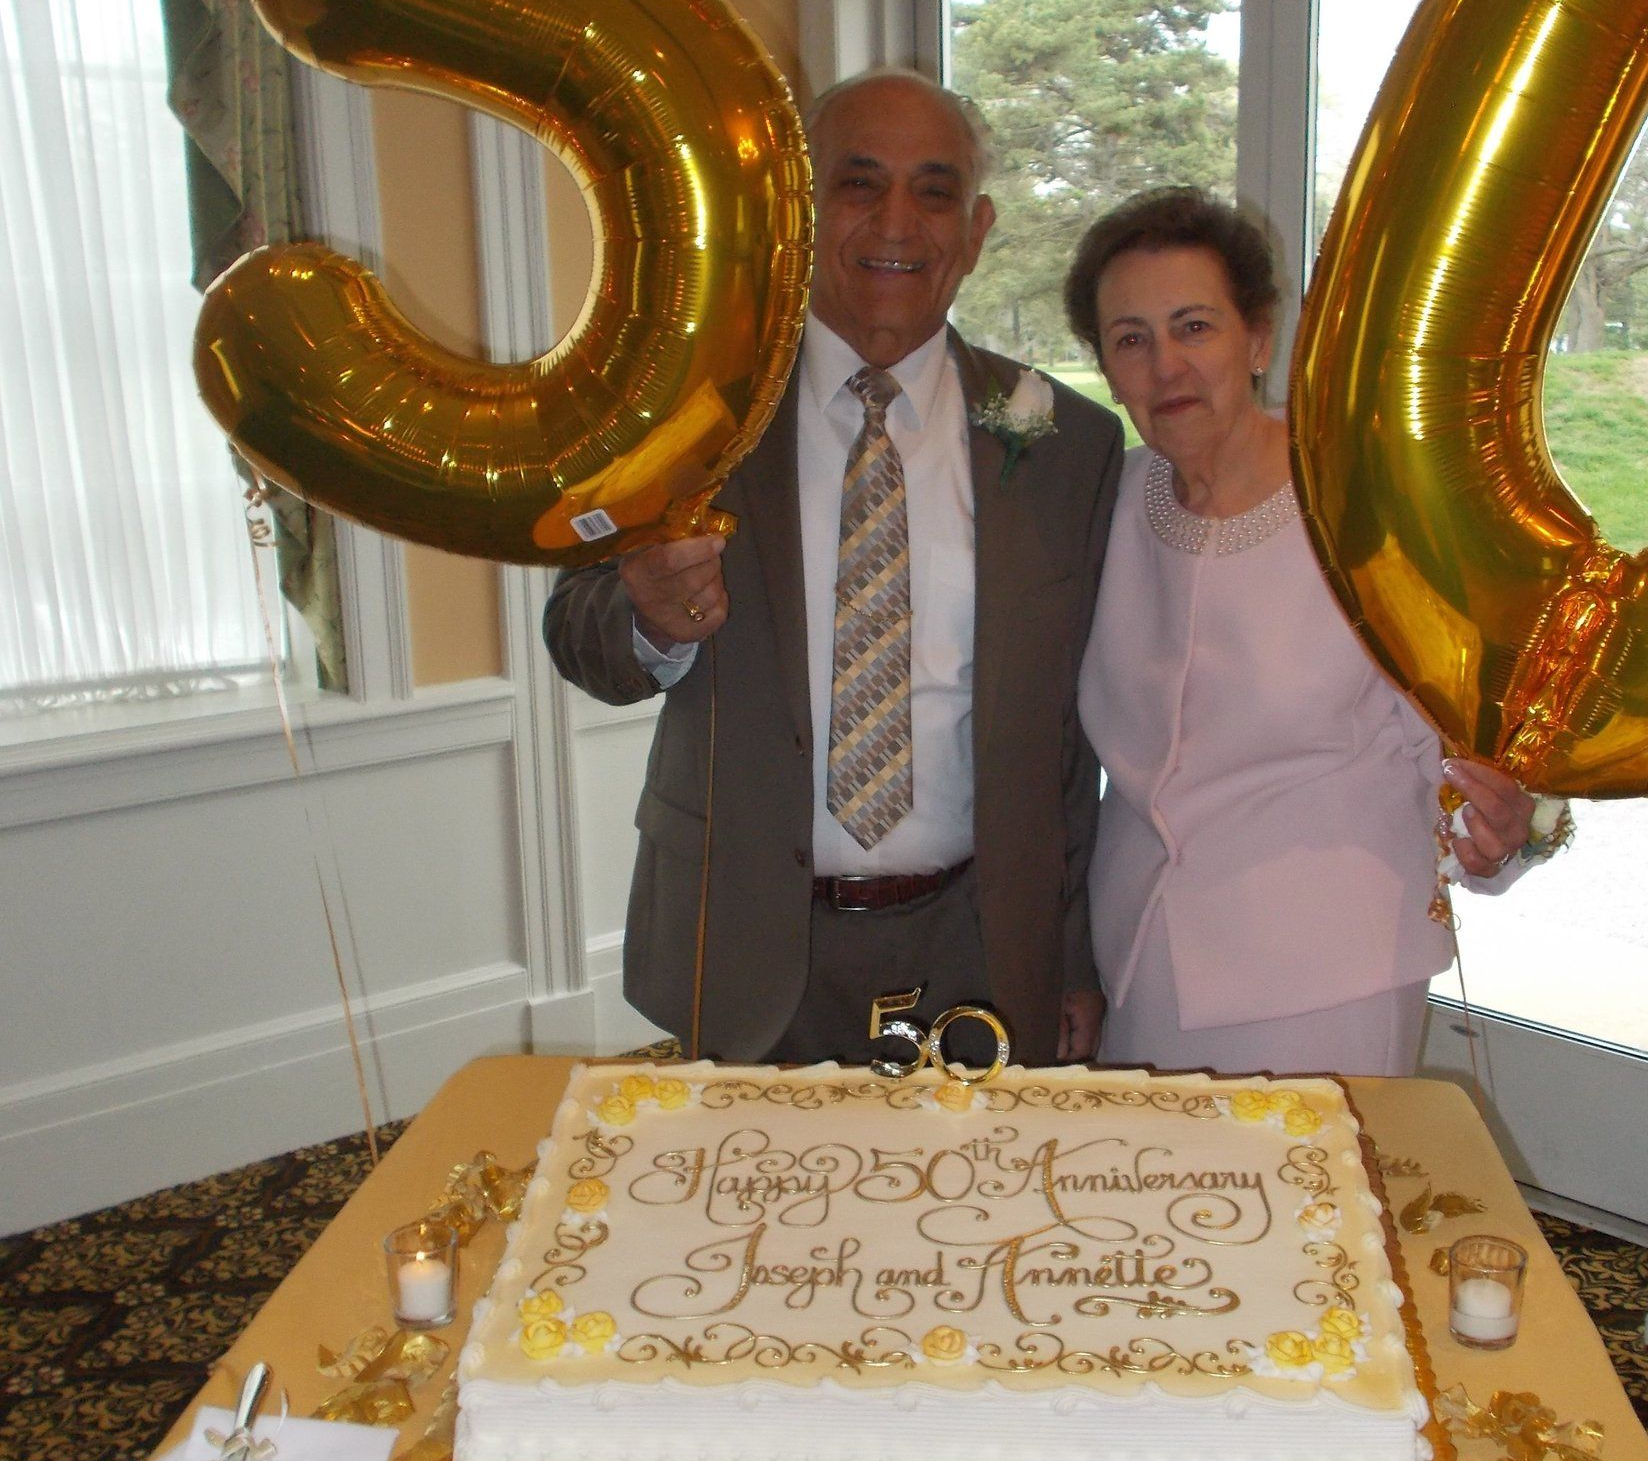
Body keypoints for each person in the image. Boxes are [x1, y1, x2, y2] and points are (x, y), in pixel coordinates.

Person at [544, 68, 1124, 1066]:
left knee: (977, 1219)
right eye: (859, 184)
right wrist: (646, 617)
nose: (898, 221)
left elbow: (1072, 744)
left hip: (982, 944)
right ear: (801, 214)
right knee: (749, 1219)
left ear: (976, 228)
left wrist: (1072, 954)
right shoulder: (690, 415)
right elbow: (576, 628)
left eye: (935, 192)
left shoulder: (1062, 440)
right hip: (751, 938)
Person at [1072, 187, 1540, 1077]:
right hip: (1138, 959)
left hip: (1325, 974)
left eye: (1194, 326)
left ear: (1257, 337)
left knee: (1320, 1208)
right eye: (1131, 339)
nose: (1165, 364)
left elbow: (1481, 732)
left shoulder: (1368, 515)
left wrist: (1505, 827)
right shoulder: (1111, 498)